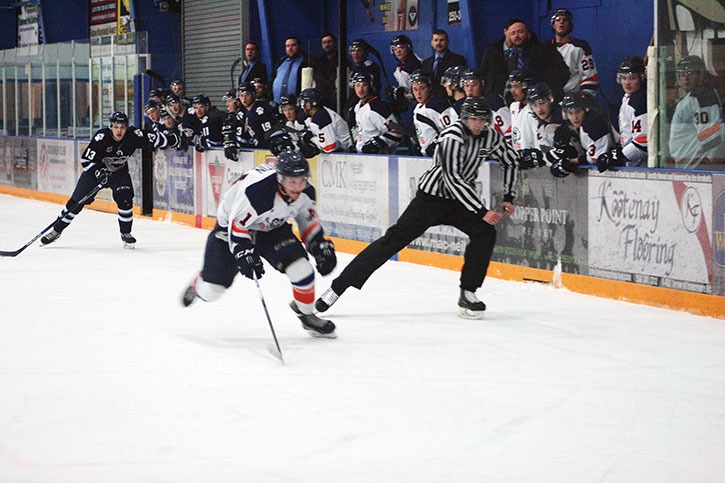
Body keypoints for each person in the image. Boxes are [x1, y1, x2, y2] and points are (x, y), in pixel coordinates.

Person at [315, 97, 519, 319]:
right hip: (431, 200)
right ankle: (337, 288)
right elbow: (453, 178)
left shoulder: (490, 137)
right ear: (464, 118)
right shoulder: (452, 136)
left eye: (483, 120)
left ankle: (468, 292)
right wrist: (481, 211)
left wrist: (509, 196)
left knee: (485, 233)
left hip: (459, 203)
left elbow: (511, 160)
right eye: (474, 119)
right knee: (391, 241)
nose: (478, 125)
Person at [181, 150, 338, 338]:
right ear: (280, 179)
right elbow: (237, 226)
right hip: (230, 230)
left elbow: (308, 222)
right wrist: (243, 252)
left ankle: (305, 314)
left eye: (302, 180)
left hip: (271, 229)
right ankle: (199, 282)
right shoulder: (258, 192)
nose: (298, 187)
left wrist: (319, 245)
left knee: (302, 270)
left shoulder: (306, 192)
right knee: (212, 291)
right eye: (292, 182)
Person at [40, 112, 182, 249]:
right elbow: (86, 160)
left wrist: (172, 139)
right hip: (93, 173)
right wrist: (99, 172)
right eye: (116, 127)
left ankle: (126, 233)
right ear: (110, 127)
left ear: (126, 127)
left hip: (118, 172)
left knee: (125, 199)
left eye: (122, 127)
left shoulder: (134, 135)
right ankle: (56, 230)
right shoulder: (101, 138)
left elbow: (154, 138)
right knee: (76, 203)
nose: (119, 130)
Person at [479, 19, 569, 101]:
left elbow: (563, 72)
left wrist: (548, 92)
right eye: (513, 33)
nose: (516, 36)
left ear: (528, 34)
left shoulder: (545, 49)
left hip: (547, 100)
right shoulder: (511, 58)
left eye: (520, 32)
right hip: (524, 104)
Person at [668, 55, 724, 169]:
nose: (685, 78)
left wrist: (709, 163)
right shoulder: (692, 97)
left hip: (697, 166)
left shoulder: (703, 96)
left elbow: (711, 134)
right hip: (688, 165)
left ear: (701, 74)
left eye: (690, 73)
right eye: (682, 74)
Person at [597, 56, 648, 172]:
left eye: (632, 78)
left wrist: (619, 157)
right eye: (624, 78)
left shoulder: (639, 101)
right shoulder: (628, 98)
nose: (627, 83)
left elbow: (643, 144)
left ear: (642, 77)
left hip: (643, 167)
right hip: (633, 165)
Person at [550, 91, 617, 177]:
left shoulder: (591, 123)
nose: (575, 117)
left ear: (586, 109)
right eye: (570, 113)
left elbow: (596, 158)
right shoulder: (582, 126)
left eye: (578, 111)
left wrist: (570, 162)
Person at [349, 71, 403, 154]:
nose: (360, 89)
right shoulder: (357, 106)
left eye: (364, 85)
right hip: (362, 157)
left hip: (379, 159)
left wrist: (378, 144)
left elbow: (397, 132)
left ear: (371, 86)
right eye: (357, 85)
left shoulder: (378, 107)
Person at [550, 8, 599, 97]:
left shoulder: (579, 47)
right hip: (550, 101)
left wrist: (583, 99)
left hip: (572, 100)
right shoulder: (545, 48)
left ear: (570, 25)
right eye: (558, 20)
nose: (561, 22)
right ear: (553, 25)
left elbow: (590, 77)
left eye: (565, 20)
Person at [461, 69, 511, 146]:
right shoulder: (463, 105)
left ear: (482, 84)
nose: (469, 89)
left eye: (474, 85)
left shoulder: (494, 102)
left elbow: (508, 130)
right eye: (466, 85)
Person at [410, 70, 452, 156]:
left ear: (430, 87)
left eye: (422, 88)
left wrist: (436, 144)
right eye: (415, 89)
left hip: (442, 155)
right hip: (426, 154)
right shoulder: (418, 107)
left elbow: (451, 129)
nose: (418, 93)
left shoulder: (437, 105)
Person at [299, 87, 353, 153]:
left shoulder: (321, 117)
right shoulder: (315, 115)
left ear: (313, 102)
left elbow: (330, 147)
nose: (303, 104)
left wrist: (312, 140)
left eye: (305, 101)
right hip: (344, 150)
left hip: (349, 149)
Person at [420, 29, 467, 96]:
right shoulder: (426, 63)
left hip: (449, 100)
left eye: (442, 40)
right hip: (430, 99)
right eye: (436, 40)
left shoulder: (457, 60)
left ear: (447, 42)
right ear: (432, 43)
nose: (438, 43)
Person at [388, 34, 422, 113]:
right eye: (395, 49)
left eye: (401, 47)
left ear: (408, 48)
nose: (398, 51)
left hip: (419, 104)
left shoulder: (415, 64)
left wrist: (403, 95)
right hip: (411, 105)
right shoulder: (399, 67)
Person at [271, 36, 310, 103]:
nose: (290, 49)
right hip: (277, 104)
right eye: (287, 46)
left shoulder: (307, 62)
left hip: (296, 105)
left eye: (293, 45)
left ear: (299, 46)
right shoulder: (281, 62)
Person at [312, 33, 343, 111]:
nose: (327, 45)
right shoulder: (319, 61)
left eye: (329, 42)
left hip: (336, 99)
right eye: (324, 43)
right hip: (321, 98)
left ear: (335, 43)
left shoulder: (342, 60)